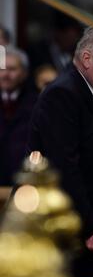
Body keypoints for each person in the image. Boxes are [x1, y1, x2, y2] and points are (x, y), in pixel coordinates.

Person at [28, 27, 93, 277]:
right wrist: (91, 228)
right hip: (61, 227)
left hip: (88, 220)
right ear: (87, 59)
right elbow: (64, 169)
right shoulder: (61, 94)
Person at [0, 47, 38, 185]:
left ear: (24, 73)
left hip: (25, 181)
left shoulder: (37, 103)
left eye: (12, 69)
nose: (5, 75)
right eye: (2, 69)